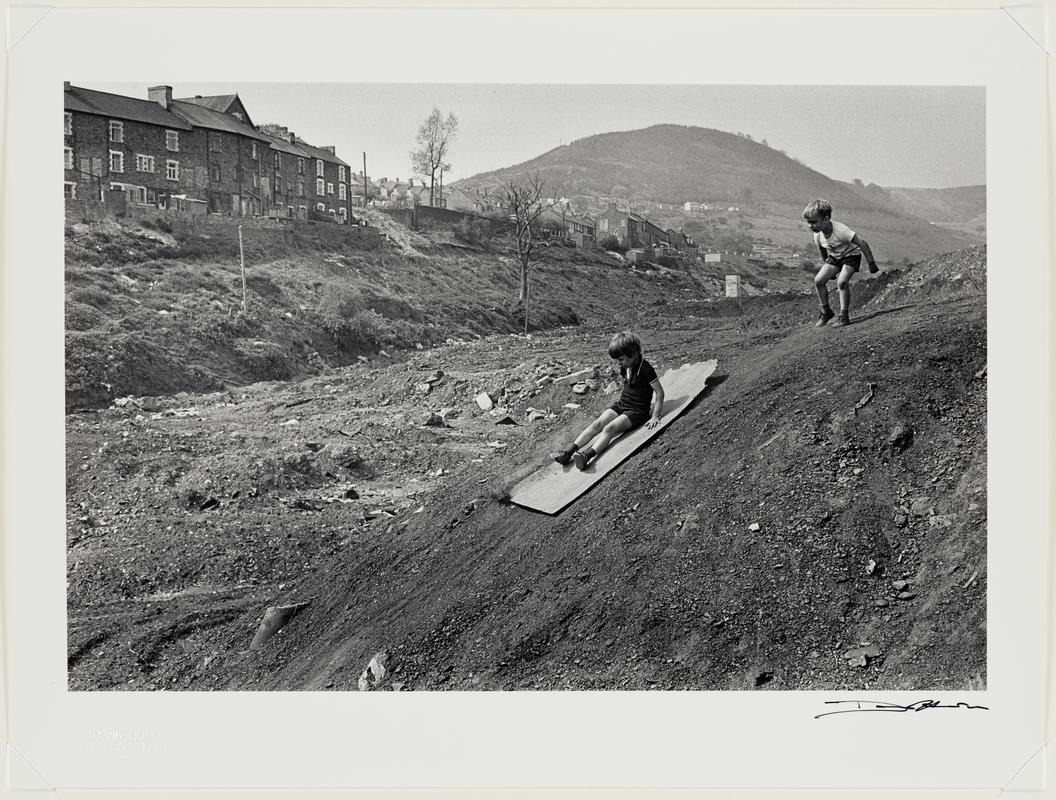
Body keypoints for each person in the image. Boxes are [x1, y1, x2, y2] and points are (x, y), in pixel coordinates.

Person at [553, 331, 665, 471]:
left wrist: (655, 415)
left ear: (634, 353)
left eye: (621, 359)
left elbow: (659, 393)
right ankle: (568, 452)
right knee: (597, 424)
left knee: (609, 429)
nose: (619, 363)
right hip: (623, 404)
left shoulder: (646, 369)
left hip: (637, 411)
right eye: (617, 360)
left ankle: (586, 456)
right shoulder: (626, 367)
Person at [802, 199, 880, 327]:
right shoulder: (818, 234)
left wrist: (871, 263)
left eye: (813, 222)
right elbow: (822, 249)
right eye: (808, 223)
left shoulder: (841, 231)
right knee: (819, 280)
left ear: (826, 219)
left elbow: (862, 243)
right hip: (834, 257)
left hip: (851, 256)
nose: (810, 226)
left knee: (842, 282)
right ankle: (826, 312)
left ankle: (844, 316)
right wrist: (826, 266)